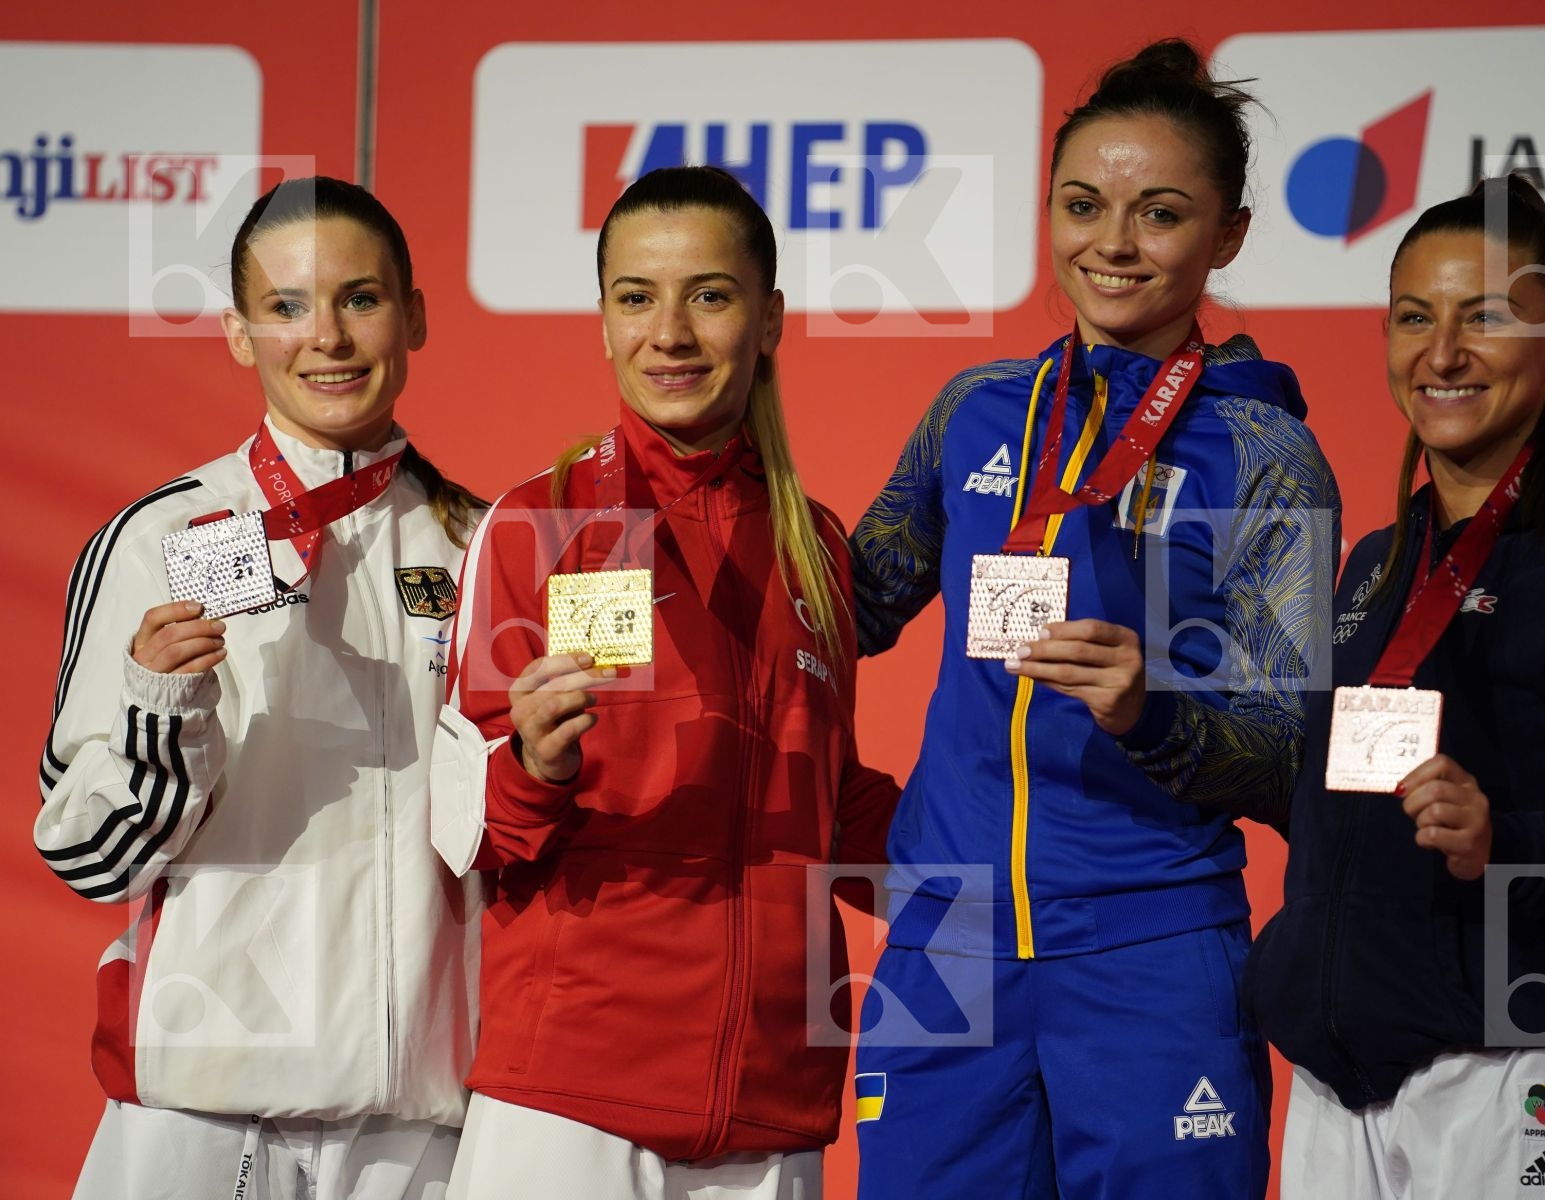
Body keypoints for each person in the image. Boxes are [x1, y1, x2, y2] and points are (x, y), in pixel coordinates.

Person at [849, 39, 1340, 1199]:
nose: (1112, 243)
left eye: (1158, 212)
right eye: (1083, 205)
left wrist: (1155, 710)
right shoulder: (976, 412)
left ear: (1228, 237)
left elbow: (1286, 750)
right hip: (948, 940)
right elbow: (851, 606)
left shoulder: (1267, 456)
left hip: (1149, 940)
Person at [1243, 174, 1545, 1199]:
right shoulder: (1377, 563)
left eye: (1488, 317)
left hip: (1518, 1068)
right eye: (1414, 317)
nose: (1443, 353)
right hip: (1340, 1085)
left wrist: (1506, 843)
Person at [433, 165, 899, 1199]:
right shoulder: (540, 524)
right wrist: (536, 765)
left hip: (776, 1099)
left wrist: (1006, 841)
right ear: (602, 323)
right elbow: (471, 830)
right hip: (572, 1098)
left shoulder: (816, 546)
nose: (670, 333)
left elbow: (828, 803)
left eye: (710, 295)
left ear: (770, 319)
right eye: (635, 297)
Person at [36, 176, 486, 1198]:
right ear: (241, 334)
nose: (324, 336)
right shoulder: (171, 537)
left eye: (360, 299)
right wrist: (161, 709)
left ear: (412, 316)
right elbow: (89, 854)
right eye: (286, 307)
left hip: (414, 1126)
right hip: (203, 1105)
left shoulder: (479, 543)